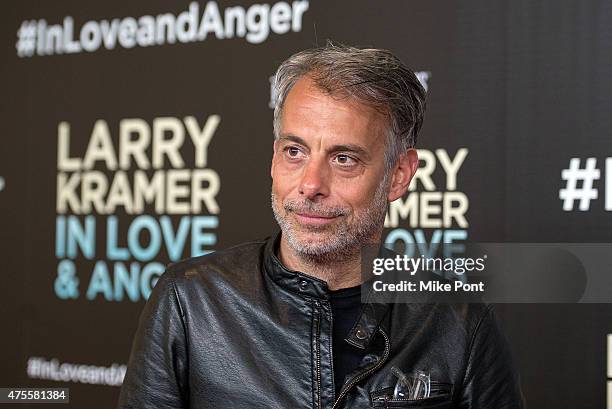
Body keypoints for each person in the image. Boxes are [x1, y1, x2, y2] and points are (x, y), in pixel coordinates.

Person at [117, 43, 524, 408]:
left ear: (399, 174)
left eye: (344, 158)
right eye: (295, 151)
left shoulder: (458, 320)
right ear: (274, 158)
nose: (310, 184)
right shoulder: (191, 301)